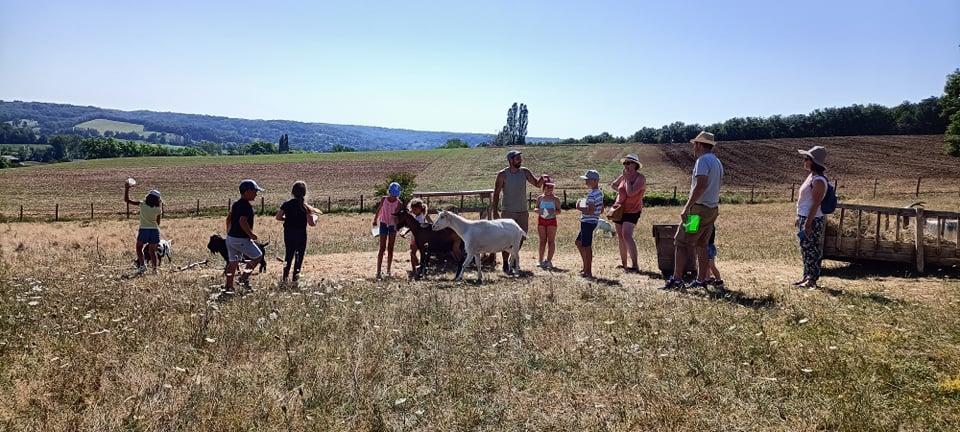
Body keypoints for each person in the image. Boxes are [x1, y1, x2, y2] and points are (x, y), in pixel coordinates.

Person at [661, 131, 724, 290]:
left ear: (700, 144)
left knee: (681, 242)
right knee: (702, 244)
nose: (694, 148)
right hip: (712, 209)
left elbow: (700, 185)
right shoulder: (717, 162)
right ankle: (701, 280)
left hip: (698, 211)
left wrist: (687, 207)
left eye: (695, 144)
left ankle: (676, 280)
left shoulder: (702, 161)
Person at [492, 150, 544, 273]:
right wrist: (495, 211)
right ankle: (505, 262)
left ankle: (513, 258)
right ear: (510, 160)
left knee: (520, 236)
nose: (520, 160)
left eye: (520, 158)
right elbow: (496, 193)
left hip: (522, 211)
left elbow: (537, 184)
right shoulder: (502, 175)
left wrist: (543, 178)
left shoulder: (525, 172)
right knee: (506, 238)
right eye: (517, 158)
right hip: (508, 211)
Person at [794, 145, 829, 288]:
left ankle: (812, 279)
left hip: (813, 219)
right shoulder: (811, 177)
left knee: (812, 249)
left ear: (813, 161)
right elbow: (805, 201)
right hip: (806, 217)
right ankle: (806, 276)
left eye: (806, 158)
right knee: (805, 248)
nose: (804, 161)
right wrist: (799, 217)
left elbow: (815, 204)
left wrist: (807, 223)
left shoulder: (819, 180)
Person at [275, 181, 320, 287]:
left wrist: (287, 218)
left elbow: (278, 217)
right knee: (299, 256)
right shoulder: (306, 207)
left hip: (288, 234)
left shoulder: (286, 204)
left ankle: (285, 279)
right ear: (304, 193)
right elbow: (311, 223)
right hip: (301, 235)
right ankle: (295, 279)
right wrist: (316, 218)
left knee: (288, 255)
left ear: (292, 192)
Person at [225, 179, 265, 293]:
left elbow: (229, 218)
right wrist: (251, 234)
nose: (256, 194)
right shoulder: (246, 206)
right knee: (257, 256)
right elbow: (242, 221)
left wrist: (228, 232)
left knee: (233, 262)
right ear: (247, 191)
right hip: (241, 239)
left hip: (231, 238)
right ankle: (243, 279)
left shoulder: (236, 204)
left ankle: (228, 286)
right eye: (255, 191)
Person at [609, 153, 647, 272]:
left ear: (635, 165)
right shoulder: (623, 176)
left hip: (633, 210)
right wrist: (620, 192)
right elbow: (613, 185)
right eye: (624, 163)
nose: (625, 165)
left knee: (627, 235)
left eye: (628, 163)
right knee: (620, 236)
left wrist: (628, 180)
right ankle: (624, 264)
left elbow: (631, 193)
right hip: (620, 209)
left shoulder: (640, 178)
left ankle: (635, 265)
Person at [123, 182, 163, 275]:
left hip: (144, 229)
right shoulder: (158, 209)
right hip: (154, 230)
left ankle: (142, 266)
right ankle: (154, 270)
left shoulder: (142, 204)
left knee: (139, 248)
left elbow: (126, 200)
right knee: (152, 251)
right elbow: (158, 222)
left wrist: (127, 188)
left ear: (148, 196)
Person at [372, 182, 403, 279]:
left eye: (395, 195)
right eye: (393, 194)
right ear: (389, 192)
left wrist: (397, 226)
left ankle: (388, 270)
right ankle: (378, 271)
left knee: (390, 248)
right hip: (383, 224)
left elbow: (397, 216)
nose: (394, 197)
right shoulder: (384, 199)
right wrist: (375, 219)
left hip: (393, 226)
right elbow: (379, 209)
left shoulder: (399, 203)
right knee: (382, 248)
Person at [576, 170, 603, 278]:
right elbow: (600, 209)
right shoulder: (599, 193)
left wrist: (579, 207)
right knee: (579, 242)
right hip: (592, 221)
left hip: (588, 221)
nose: (586, 181)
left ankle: (588, 270)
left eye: (588, 179)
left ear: (594, 180)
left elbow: (590, 210)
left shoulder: (592, 194)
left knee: (586, 246)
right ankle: (585, 267)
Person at [535, 175, 561, 269]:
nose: (550, 189)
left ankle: (549, 261)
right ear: (544, 187)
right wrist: (539, 211)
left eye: (552, 187)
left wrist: (553, 212)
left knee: (551, 241)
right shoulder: (540, 198)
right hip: (541, 220)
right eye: (548, 186)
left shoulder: (555, 199)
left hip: (551, 221)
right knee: (542, 241)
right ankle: (540, 260)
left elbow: (559, 211)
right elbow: (535, 208)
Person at [406, 198, 431, 275]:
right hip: (413, 237)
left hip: (418, 239)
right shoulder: (414, 216)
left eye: (415, 209)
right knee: (412, 253)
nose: (413, 211)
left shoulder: (420, 218)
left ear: (420, 209)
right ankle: (414, 269)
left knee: (413, 253)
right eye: (412, 209)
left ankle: (418, 267)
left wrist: (406, 231)